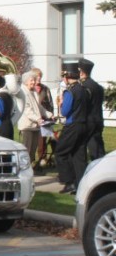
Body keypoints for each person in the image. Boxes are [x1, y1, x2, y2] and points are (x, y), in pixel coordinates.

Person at [54, 63, 89, 194]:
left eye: (64, 76)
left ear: (67, 76)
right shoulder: (84, 89)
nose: (63, 79)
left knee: (60, 152)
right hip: (83, 124)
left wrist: (62, 103)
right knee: (78, 156)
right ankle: (80, 183)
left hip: (72, 124)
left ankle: (69, 182)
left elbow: (65, 111)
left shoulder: (70, 91)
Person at [17, 70, 53, 167]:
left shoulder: (32, 92)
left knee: (32, 151)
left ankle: (29, 168)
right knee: (26, 150)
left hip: (35, 126)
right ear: (26, 81)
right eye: (31, 80)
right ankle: (23, 169)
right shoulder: (22, 92)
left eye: (34, 80)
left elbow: (39, 108)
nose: (34, 82)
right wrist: (38, 119)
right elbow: (27, 110)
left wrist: (50, 115)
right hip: (27, 126)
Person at [79, 58, 105, 162]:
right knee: (98, 147)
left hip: (88, 121)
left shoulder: (84, 87)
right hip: (98, 119)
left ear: (81, 72)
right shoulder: (98, 87)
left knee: (92, 149)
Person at [33, 68, 54, 166]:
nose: (39, 78)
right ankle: (32, 160)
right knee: (32, 141)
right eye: (37, 76)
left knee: (42, 141)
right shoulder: (29, 88)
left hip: (44, 118)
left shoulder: (45, 89)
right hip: (32, 119)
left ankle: (42, 159)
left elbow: (50, 103)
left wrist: (50, 116)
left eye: (40, 76)